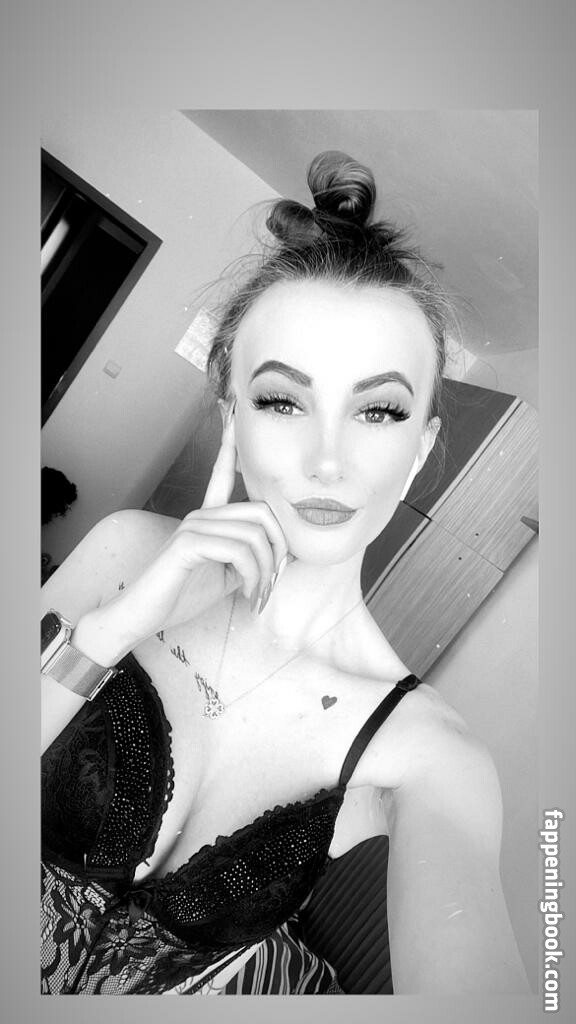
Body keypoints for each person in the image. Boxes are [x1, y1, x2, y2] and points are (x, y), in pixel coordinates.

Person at [41, 151, 529, 995]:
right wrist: (110, 634)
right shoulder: (124, 557)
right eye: (282, 400)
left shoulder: (429, 753)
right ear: (232, 414)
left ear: (419, 452)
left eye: (378, 410)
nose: (328, 460)